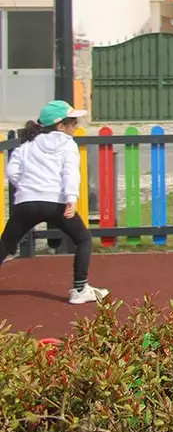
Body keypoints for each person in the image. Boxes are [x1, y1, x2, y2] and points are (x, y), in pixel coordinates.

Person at [1, 100, 108, 304]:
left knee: (6, 242)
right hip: (55, 202)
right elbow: (70, 173)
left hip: (26, 202)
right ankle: (79, 289)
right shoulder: (67, 144)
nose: (76, 126)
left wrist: (27, 187)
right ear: (61, 126)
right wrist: (71, 198)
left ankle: (81, 289)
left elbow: (12, 171)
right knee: (83, 239)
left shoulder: (28, 144)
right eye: (73, 122)